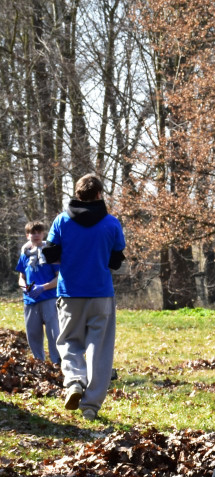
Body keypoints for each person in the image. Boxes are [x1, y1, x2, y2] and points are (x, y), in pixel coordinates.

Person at [43, 173, 126, 421]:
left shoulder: (61, 221)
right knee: (99, 350)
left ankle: (75, 381)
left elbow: (49, 253)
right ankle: (91, 407)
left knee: (69, 341)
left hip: (70, 293)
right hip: (101, 294)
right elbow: (116, 259)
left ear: (77, 194)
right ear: (99, 194)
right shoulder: (112, 223)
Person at [16, 221, 61, 363]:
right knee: (33, 335)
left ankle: (57, 363)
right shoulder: (25, 255)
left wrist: (43, 287)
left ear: (43, 234)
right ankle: (39, 364)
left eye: (38, 232)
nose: (36, 235)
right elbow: (21, 278)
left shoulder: (50, 253)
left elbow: (59, 278)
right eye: (32, 233)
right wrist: (25, 288)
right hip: (30, 301)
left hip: (49, 298)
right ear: (27, 235)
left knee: (54, 334)